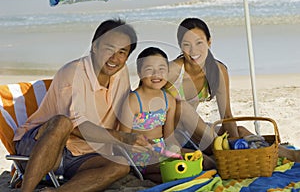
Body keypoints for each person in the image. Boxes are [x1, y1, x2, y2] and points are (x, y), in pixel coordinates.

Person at [13, 19, 152, 192]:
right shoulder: (73, 73)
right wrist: (123, 138)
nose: (114, 58)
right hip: (42, 145)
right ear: (94, 47)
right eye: (109, 49)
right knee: (63, 122)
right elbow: (78, 127)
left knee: (121, 166)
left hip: (82, 154)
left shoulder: (120, 72)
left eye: (122, 52)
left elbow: (128, 108)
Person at [166, 17, 300, 162]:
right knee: (181, 107)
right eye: (187, 45)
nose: (194, 50)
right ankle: (233, 151)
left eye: (199, 42)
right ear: (180, 46)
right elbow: (142, 95)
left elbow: (227, 115)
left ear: (209, 42)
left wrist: (234, 136)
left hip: (195, 133)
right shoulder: (171, 71)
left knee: (239, 131)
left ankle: (287, 154)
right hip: (174, 137)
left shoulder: (217, 71)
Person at [119, 47, 180, 183]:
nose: (156, 74)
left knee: (203, 162)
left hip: (162, 150)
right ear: (140, 73)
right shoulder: (133, 100)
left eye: (161, 69)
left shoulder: (169, 100)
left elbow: (169, 137)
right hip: (139, 154)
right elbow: (124, 138)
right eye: (149, 69)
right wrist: (148, 149)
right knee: (171, 172)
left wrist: (175, 151)